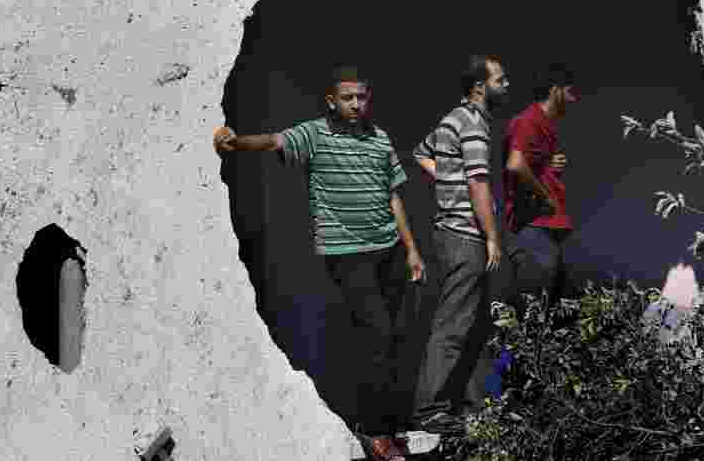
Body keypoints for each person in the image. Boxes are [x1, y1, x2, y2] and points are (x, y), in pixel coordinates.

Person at [213, 66, 425, 461]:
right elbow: (274, 141)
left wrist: (411, 248)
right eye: (348, 98)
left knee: (393, 336)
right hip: (345, 252)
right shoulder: (314, 134)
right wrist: (236, 142)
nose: (356, 104)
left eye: (362, 97)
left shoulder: (379, 139)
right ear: (332, 101)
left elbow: (395, 196)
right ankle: (375, 433)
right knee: (376, 333)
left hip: (389, 249)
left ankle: (389, 425)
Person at [410, 55, 508, 436]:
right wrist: (492, 236)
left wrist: (446, 178)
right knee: (455, 324)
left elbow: (422, 153)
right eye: (501, 79)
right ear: (480, 86)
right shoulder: (471, 125)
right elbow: (478, 184)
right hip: (465, 234)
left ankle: (475, 407)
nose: (507, 85)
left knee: (476, 324)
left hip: (453, 232)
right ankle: (431, 410)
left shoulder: (457, 118)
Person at [502, 62, 581, 319]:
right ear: (556, 90)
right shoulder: (529, 120)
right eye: (570, 92)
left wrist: (548, 165)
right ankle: (509, 360)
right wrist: (544, 194)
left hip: (545, 234)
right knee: (532, 323)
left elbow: (527, 163)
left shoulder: (544, 125)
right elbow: (515, 165)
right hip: (533, 232)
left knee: (558, 317)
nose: (573, 100)